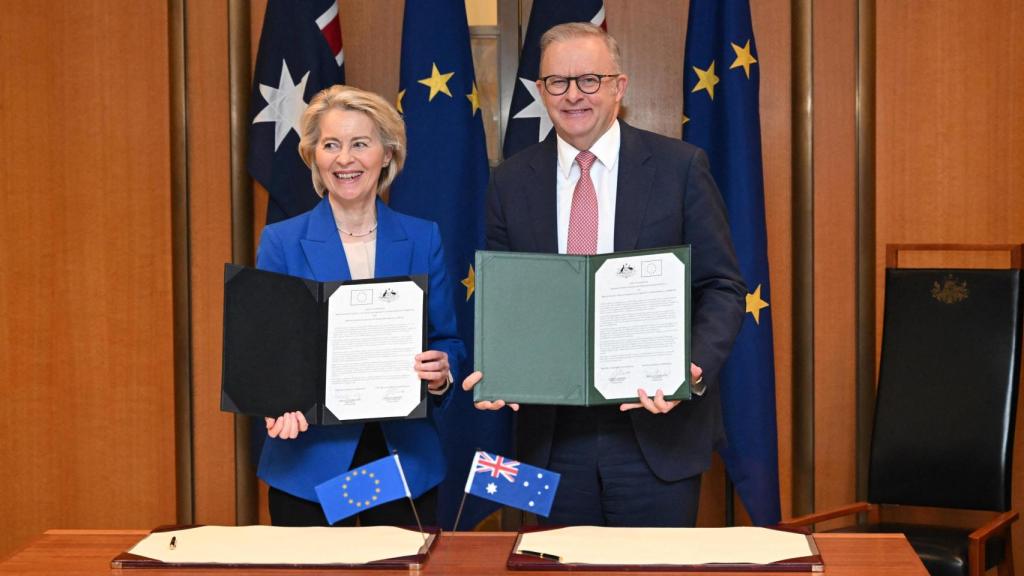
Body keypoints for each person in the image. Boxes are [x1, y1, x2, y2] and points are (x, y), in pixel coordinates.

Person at [463, 23, 746, 527]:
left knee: (653, 564)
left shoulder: (680, 167)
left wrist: (691, 368)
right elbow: (508, 296)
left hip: (658, 432)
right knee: (556, 561)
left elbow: (722, 286)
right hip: (551, 438)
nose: (573, 95)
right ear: (540, 90)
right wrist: (502, 366)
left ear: (620, 86)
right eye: (557, 82)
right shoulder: (510, 180)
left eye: (590, 79)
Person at [255, 85, 464, 526]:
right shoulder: (281, 242)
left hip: (404, 465)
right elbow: (265, 353)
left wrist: (442, 372)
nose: (344, 159)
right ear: (314, 156)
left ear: (387, 154)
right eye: (331, 145)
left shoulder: (423, 237)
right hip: (309, 466)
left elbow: (447, 339)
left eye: (360, 144)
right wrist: (274, 400)